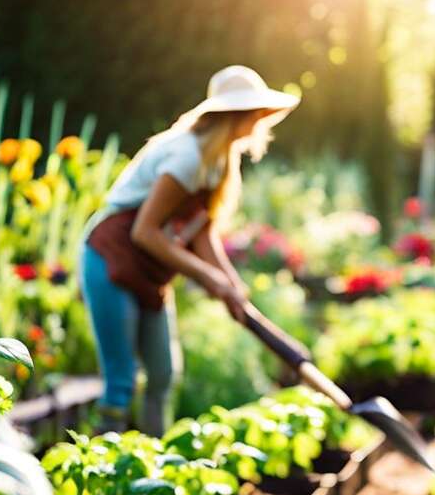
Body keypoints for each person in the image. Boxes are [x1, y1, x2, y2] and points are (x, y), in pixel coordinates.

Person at [80, 65, 298, 436]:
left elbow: (202, 235)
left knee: (164, 374)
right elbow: (144, 232)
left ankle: (156, 469)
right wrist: (208, 277)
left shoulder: (219, 160)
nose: (262, 120)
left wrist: (231, 284)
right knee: (122, 381)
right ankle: (102, 472)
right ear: (235, 114)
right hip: (111, 258)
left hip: (150, 270)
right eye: (256, 112)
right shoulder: (186, 155)